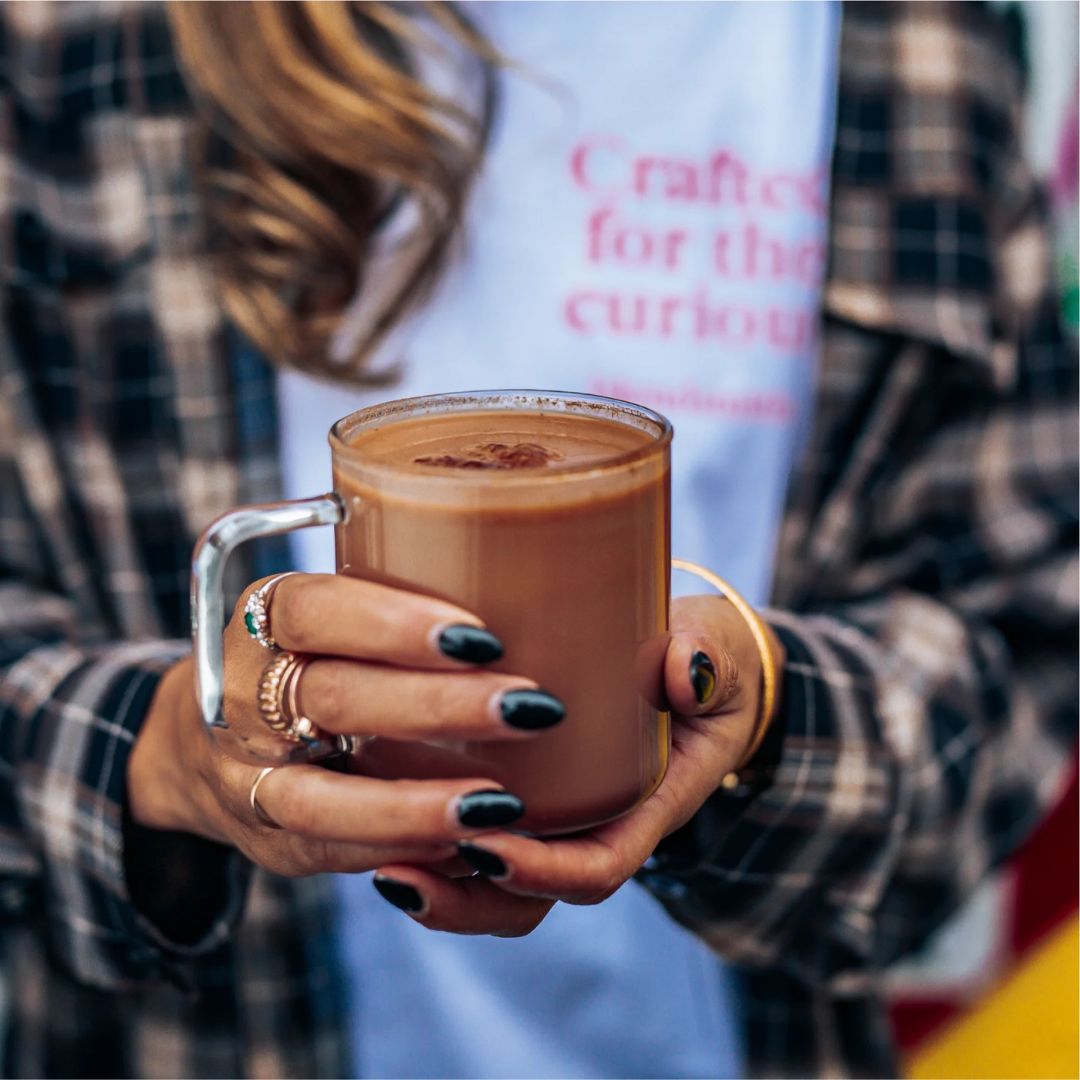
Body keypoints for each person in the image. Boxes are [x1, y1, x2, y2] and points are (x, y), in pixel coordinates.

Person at [0, 3, 1074, 1080]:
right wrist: (166, 752)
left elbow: (1015, 650)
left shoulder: (916, 37)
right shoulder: (67, 39)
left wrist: (773, 723)